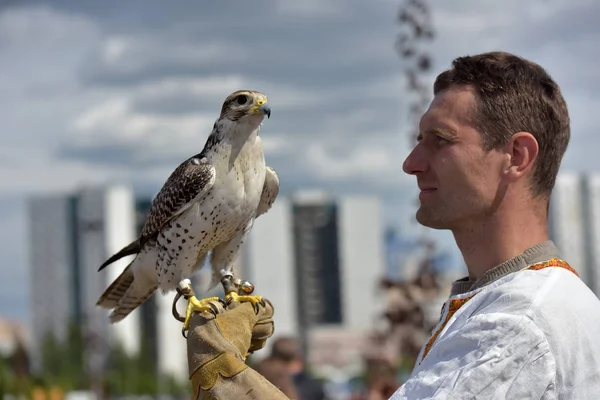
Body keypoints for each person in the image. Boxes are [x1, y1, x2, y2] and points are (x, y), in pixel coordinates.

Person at [185, 51, 600, 399]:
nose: (411, 164)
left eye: (441, 140)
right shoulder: (520, 300)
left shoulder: (516, 323)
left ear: (517, 156)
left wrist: (227, 380)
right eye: (419, 141)